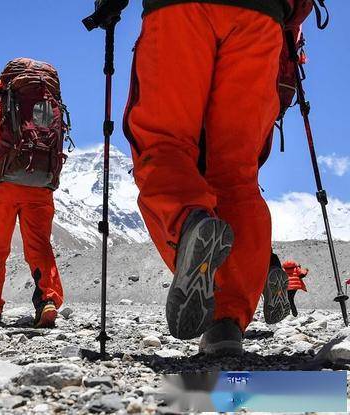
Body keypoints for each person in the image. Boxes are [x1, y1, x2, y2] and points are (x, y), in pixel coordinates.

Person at [123, 0, 289, 354]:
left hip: (180, 10)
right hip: (263, 16)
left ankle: (189, 222)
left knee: (164, 145)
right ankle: (225, 323)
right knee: (237, 173)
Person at [0, 58, 72, 328]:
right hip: (41, 184)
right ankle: (47, 299)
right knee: (40, 247)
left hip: (5, 185)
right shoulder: (47, 100)